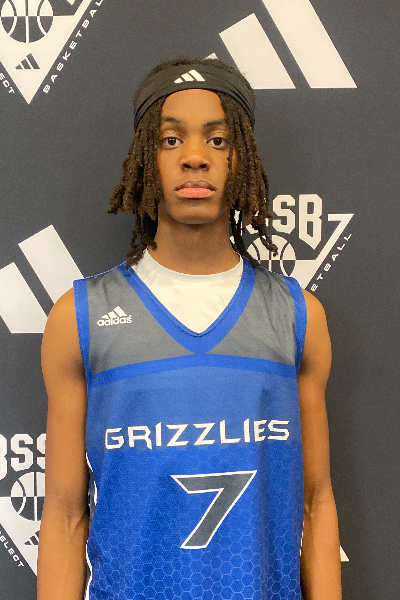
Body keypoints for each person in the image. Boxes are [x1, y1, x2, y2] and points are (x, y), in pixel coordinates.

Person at [37, 57, 342, 600]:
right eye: (171, 139)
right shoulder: (80, 317)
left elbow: (316, 504)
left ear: (240, 158)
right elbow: (63, 515)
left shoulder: (296, 315)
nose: (195, 156)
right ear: (145, 159)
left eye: (218, 141)